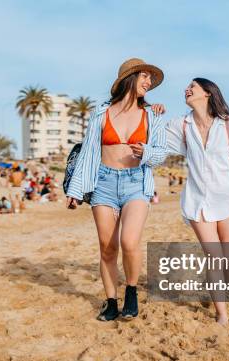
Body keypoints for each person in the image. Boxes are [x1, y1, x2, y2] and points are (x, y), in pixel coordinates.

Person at [66, 58, 167, 321]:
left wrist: (146, 152)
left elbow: (161, 155)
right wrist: (76, 190)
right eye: (144, 77)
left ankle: (131, 291)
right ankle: (111, 301)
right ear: (128, 79)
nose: (148, 83)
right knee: (107, 248)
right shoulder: (101, 113)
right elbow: (88, 152)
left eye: (150, 79)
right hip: (103, 183)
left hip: (136, 183)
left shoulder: (152, 114)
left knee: (129, 242)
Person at [162, 77, 229, 326]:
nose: (187, 89)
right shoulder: (180, 125)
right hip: (197, 200)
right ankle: (221, 313)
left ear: (206, 93)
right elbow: (153, 134)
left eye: (192, 86)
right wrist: (151, 110)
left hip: (228, 198)